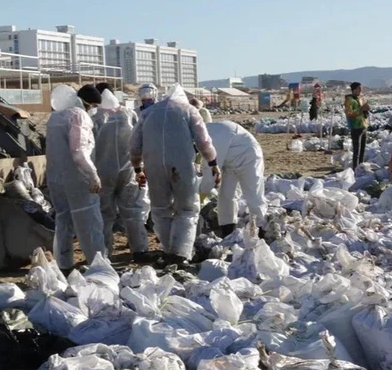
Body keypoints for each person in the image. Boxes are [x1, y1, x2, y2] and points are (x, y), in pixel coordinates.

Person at [130, 85, 219, 266]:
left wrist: (137, 168)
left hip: (153, 167)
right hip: (182, 166)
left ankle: (169, 249)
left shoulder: (148, 114)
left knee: (160, 209)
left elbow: (134, 145)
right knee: (186, 209)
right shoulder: (188, 110)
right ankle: (180, 253)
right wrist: (212, 163)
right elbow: (203, 141)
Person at [45, 84, 107, 272]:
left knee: (63, 222)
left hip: (56, 178)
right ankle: (99, 266)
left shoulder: (55, 117)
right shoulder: (79, 116)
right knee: (90, 222)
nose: (93, 109)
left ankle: (64, 265)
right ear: (88, 103)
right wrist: (93, 175)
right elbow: (78, 152)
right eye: (94, 105)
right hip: (78, 180)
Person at [94, 89, 148, 260]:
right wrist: (141, 167)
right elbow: (140, 139)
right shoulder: (128, 113)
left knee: (104, 214)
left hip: (102, 173)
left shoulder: (95, 117)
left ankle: (104, 253)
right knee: (132, 212)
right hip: (129, 170)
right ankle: (139, 250)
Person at [198, 121, 267, 237]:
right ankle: (228, 232)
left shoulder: (212, 137)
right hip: (230, 162)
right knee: (226, 197)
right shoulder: (206, 133)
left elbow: (210, 176)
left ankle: (261, 230)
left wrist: (198, 198)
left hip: (249, 158)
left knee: (253, 195)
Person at [344, 82, 371, 169]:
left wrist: (366, 109)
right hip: (355, 127)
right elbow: (349, 113)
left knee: (362, 149)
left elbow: (364, 110)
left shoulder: (361, 99)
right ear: (354, 90)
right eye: (359, 89)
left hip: (363, 126)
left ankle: (360, 166)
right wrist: (360, 109)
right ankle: (355, 168)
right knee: (357, 150)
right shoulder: (349, 100)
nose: (361, 90)